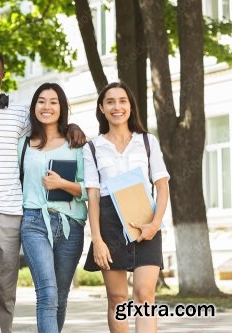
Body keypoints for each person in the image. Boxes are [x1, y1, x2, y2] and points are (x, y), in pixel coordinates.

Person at [0, 46, 86, 333]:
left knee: (5, 292)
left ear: (3, 74)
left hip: (11, 213)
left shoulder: (22, 115)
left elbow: (48, 125)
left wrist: (72, 126)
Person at [83, 82, 170, 333]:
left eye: (122, 101)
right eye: (110, 101)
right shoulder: (92, 147)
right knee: (117, 299)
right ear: (102, 107)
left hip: (147, 221)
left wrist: (155, 224)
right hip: (109, 225)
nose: (117, 106)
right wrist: (97, 240)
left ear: (130, 107)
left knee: (145, 295)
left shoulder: (146, 141)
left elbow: (162, 187)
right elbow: (94, 196)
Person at [18, 83, 87, 333]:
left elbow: (90, 190)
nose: (47, 107)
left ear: (62, 108)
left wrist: (63, 184)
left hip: (71, 225)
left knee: (60, 296)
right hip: (34, 221)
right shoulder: (23, 144)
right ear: (34, 106)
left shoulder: (76, 143)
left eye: (53, 102)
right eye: (41, 101)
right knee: (47, 294)